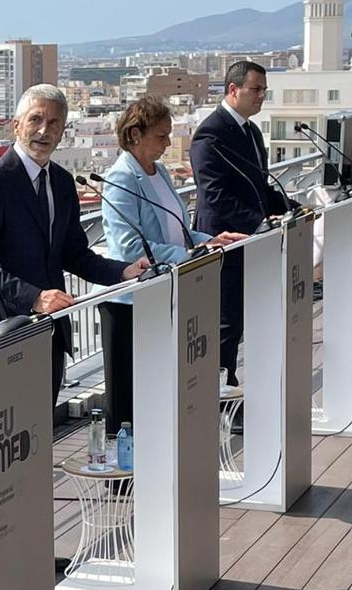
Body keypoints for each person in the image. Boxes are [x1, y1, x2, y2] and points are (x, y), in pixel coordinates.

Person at [0, 84, 149, 423]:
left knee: (39, 431)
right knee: (6, 442)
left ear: (63, 131)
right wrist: (33, 298)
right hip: (5, 333)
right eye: (36, 120)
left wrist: (122, 272)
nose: (45, 131)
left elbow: (73, 252)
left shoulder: (60, 182)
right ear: (17, 126)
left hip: (51, 334)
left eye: (55, 123)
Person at [97, 95, 246, 433]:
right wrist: (190, 256)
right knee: (128, 396)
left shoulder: (159, 171)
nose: (167, 143)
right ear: (135, 134)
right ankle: (125, 476)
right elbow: (129, 247)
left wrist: (207, 240)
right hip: (129, 302)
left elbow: (174, 229)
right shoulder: (121, 178)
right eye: (161, 136)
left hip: (165, 293)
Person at [190, 60, 299, 389]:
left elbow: (259, 186)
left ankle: (244, 390)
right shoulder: (211, 133)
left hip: (253, 241)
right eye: (256, 89)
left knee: (246, 319)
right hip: (224, 242)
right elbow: (215, 195)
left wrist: (292, 207)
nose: (262, 96)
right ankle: (221, 396)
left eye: (265, 90)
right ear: (233, 90)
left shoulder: (251, 131)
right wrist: (261, 224)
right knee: (226, 323)